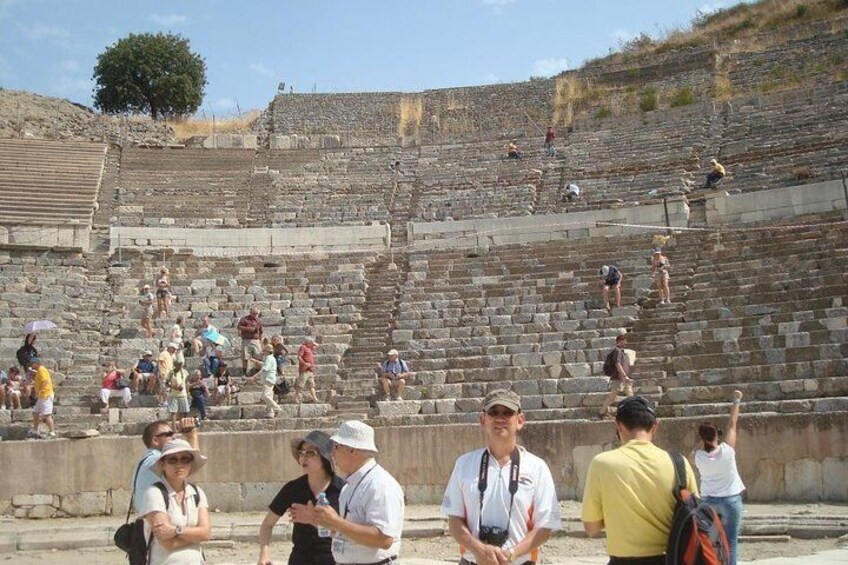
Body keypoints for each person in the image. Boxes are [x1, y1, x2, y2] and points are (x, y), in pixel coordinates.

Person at [442, 389, 561, 565]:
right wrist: (479, 550)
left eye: (507, 413)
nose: (500, 418)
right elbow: (454, 520)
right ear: (483, 420)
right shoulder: (464, 464)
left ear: (520, 421)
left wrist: (511, 554)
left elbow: (545, 526)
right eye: (493, 412)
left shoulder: (537, 468)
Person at [582, 396, 699, 565]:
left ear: (618, 425)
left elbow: (591, 528)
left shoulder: (602, 463)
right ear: (654, 426)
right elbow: (693, 517)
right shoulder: (679, 463)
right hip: (671, 558)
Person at [290, 420, 405, 565]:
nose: (332, 454)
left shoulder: (380, 485)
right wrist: (317, 520)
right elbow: (347, 534)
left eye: (336, 447)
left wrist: (336, 522)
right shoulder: (349, 487)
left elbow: (384, 539)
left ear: (352, 450)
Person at [258, 430, 344, 565]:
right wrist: (264, 552)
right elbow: (267, 524)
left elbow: (351, 532)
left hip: (334, 560)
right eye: (301, 453)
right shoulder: (293, 489)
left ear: (325, 457)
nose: (303, 457)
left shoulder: (342, 490)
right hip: (300, 559)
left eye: (310, 453)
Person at [139, 438, 210, 565]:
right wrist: (195, 536)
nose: (179, 464)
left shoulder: (197, 493)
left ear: (191, 463)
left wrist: (176, 531)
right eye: (172, 460)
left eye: (185, 459)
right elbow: (167, 543)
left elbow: (206, 533)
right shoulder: (154, 493)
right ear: (162, 464)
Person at [695, 390, 746, 565]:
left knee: (709, 542)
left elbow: (693, 452)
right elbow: (733, 423)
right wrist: (736, 400)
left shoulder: (698, 456)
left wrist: (702, 439)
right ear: (717, 434)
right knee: (730, 543)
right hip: (730, 501)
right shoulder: (727, 451)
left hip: (708, 501)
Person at [133, 419, 199, 510]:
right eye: (169, 434)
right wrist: (192, 436)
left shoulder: (147, 460)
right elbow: (191, 467)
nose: (174, 437)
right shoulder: (155, 460)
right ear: (155, 440)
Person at [598, 334, 634, 418]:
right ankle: (601, 412)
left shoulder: (620, 351)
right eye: (624, 341)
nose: (626, 343)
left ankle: (635, 410)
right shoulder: (617, 351)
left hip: (621, 378)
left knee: (630, 394)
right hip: (618, 378)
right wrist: (624, 376)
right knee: (612, 397)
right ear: (620, 341)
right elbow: (617, 364)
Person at [250, 343, 281, 418]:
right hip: (268, 379)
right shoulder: (269, 358)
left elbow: (264, 368)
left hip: (268, 379)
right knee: (269, 396)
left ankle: (277, 408)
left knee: (265, 396)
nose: (263, 352)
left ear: (267, 351)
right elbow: (264, 364)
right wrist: (254, 361)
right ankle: (270, 413)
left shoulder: (269, 358)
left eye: (264, 351)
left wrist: (254, 376)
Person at [29, 357, 55, 439]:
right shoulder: (39, 371)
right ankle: (35, 430)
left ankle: (52, 432)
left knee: (47, 415)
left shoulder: (41, 370)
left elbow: (45, 381)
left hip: (45, 395)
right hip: (42, 396)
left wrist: (39, 391)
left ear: (36, 363)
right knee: (35, 413)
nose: (31, 365)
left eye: (32, 364)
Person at [238, 307, 264, 375]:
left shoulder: (259, 321)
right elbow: (239, 327)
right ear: (250, 312)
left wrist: (260, 341)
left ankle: (257, 372)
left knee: (258, 356)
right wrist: (249, 329)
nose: (256, 315)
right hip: (246, 340)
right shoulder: (244, 319)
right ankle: (244, 372)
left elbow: (261, 332)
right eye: (254, 313)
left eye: (257, 313)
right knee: (245, 357)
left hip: (256, 340)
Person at [165, 359, 190, 429]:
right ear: (175, 365)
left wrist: (187, 391)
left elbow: (187, 381)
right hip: (173, 394)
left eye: (180, 365)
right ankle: (174, 428)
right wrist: (173, 386)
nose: (180, 366)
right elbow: (166, 383)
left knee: (184, 411)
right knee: (173, 412)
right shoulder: (171, 373)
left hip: (183, 394)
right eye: (178, 365)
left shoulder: (184, 372)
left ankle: (182, 427)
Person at [296, 338, 319, 404]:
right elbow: (299, 357)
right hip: (304, 370)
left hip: (310, 370)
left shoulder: (310, 348)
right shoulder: (303, 347)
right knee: (300, 385)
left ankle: (315, 398)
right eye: (310, 342)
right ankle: (296, 398)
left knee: (312, 385)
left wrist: (313, 342)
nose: (312, 343)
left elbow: (317, 345)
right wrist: (304, 363)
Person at [157, 343, 178, 407]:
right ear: (170, 347)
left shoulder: (172, 355)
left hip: (170, 374)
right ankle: (164, 401)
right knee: (165, 388)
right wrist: (160, 372)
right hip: (164, 373)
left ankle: (162, 401)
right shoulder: (164, 353)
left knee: (165, 388)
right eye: (173, 348)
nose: (174, 350)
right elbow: (160, 362)